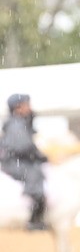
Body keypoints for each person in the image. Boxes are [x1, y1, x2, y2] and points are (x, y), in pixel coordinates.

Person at [1, 94, 49, 231]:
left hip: (18, 159)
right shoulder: (16, 124)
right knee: (34, 176)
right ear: (17, 108)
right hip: (13, 162)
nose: (29, 107)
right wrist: (40, 156)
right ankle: (34, 219)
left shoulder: (22, 122)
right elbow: (24, 147)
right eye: (26, 105)